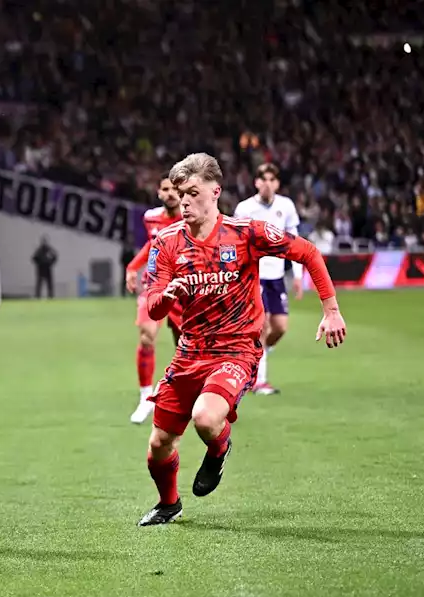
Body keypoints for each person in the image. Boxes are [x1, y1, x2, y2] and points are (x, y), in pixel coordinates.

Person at [137, 153, 346, 527]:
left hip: (235, 351)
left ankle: (218, 450)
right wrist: (168, 297)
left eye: (193, 193)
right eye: (181, 193)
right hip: (189, 354)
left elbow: (309, 252)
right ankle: (169, 504)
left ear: (215, 192)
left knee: (205, 417)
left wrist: (331, 310)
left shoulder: (246, 232)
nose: (184, 201)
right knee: (157, 446)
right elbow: (152, 307)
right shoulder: (166, 242)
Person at [233, 163, 303, 395]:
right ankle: (259, 381)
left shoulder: (286, 206)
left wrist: (298, 275)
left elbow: (295, 241)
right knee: (261, 327)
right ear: (256, 182)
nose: (268, 184)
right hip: (254, 275)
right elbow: (235, 243)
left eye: (272, 180)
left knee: (280, 327)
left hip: (277, 275)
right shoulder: (245, 209)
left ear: (277, 183)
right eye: (264, 180)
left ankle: (259, 354)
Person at [125, 177, 184, 424]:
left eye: (174, 189)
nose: (170, 193)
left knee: (185, 346)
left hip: (184, 288)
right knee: (147, 336)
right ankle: (145, 398)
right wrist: (132, 267)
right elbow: (152, 245)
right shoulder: (151, 218)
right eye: (165, 189)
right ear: (159, 193)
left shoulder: (193, 217)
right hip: (155, 286)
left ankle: (185, 396)